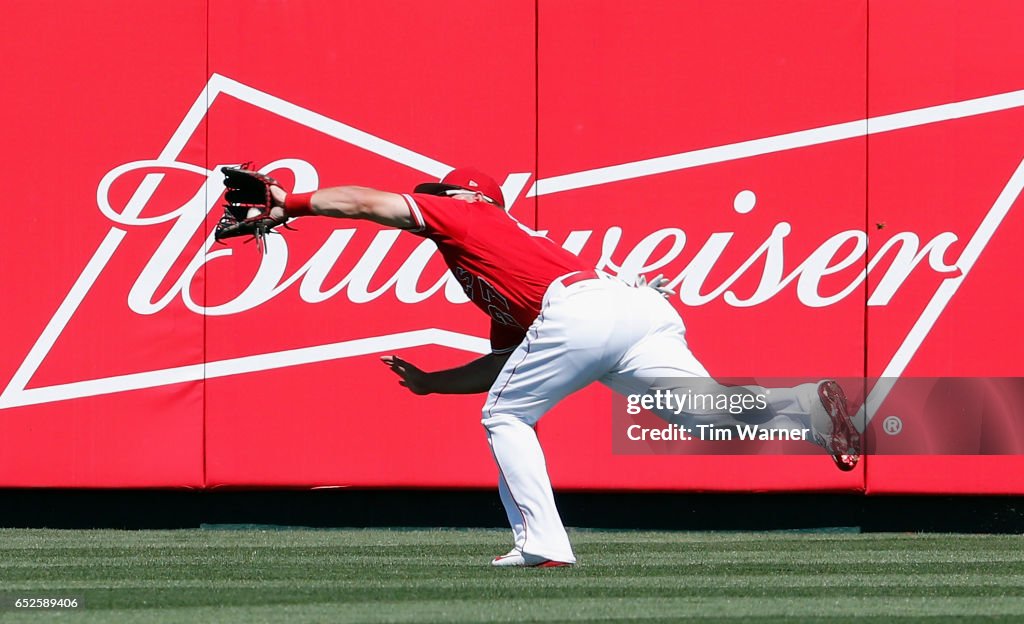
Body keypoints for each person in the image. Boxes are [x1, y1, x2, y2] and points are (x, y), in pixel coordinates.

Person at [255, 166, 860, 567]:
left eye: (437, 196)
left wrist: (291, 204)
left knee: (506, 418)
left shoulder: (470, 215)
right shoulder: (490, 265)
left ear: (465, 197)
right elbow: (503, 364)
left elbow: (365, 203)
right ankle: (808, 405)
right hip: (632, 306)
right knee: (704, 418)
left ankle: (542, 543)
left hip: (583, 305)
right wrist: (432, 384)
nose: (428, 205)